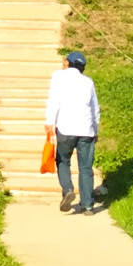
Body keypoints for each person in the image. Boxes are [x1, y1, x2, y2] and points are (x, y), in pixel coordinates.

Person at [44, 51, 100, 214]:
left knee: (63, 161)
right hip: (86, 130)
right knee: (85, 167)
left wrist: (49, 122)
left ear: (67, 63)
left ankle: (68, 189)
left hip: (65, 128)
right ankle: (88, 206)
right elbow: (95, 109)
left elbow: (53, 100)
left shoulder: (58, 77)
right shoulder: (88, 82)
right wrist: (95, 130)